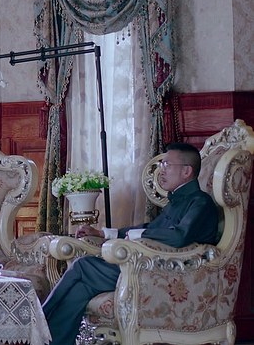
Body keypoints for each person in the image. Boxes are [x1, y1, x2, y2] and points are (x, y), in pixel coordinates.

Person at [42, 142, 219, 344]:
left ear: (187, 171)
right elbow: (151, 228)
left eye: (167, 165)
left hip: (166, 274)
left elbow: (179, 236)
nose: (161, 170)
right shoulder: (177, 201)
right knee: (81, 289)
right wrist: (103, 233)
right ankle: (50, 340)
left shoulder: (200, 202)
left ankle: (38, 322)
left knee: (82, 265)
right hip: (147, 268)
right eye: (161, 164)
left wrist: (136, 235)